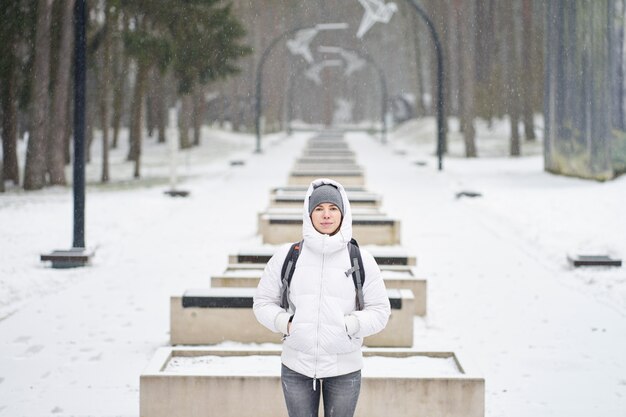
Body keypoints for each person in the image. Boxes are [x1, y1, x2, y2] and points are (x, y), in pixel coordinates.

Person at [253, 178, 391, 417]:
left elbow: (380, 311)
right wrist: (285, 323)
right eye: (319, 209)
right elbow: (263, 302)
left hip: (344, 369)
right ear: (309, 214)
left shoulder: (361, 259)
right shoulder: (287, 255)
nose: (326, 215)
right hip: (296, 367)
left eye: (333, 208)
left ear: (343, 213)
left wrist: (349, 326)